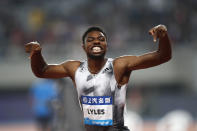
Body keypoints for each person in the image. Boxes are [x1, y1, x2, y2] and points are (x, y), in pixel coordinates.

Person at [25, 25, 172, 131]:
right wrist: (35, 54)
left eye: (101, 39)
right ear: (83, 47)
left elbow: (163, 56)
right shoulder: (74, 68)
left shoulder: (119, 66)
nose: (96, 42)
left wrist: (163, 36)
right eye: (91, 39)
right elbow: (41, 71)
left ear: (106, 46)